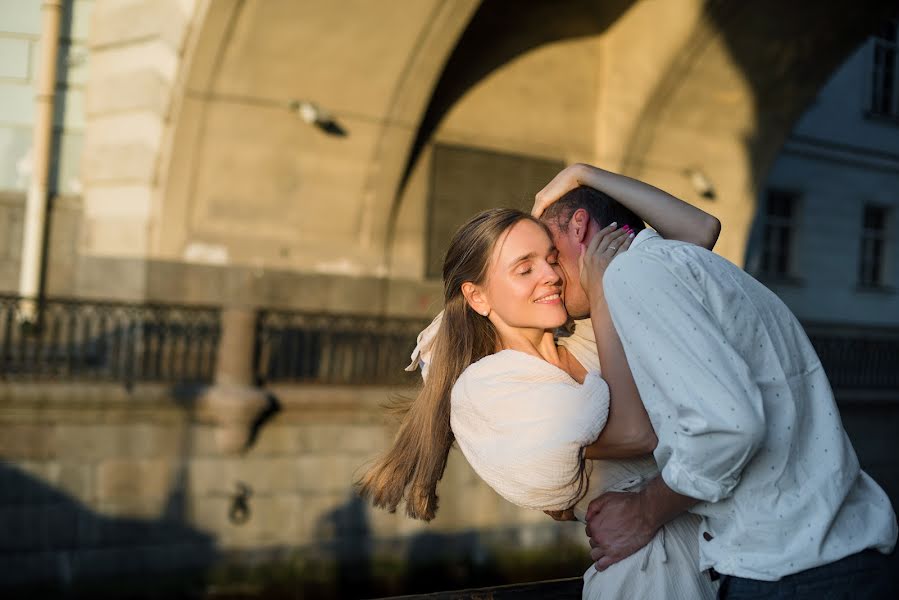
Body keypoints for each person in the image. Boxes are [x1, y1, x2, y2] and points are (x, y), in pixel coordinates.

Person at [532, 162, 899, 599]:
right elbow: (703, 228)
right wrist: (582, 174)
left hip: (789, 570)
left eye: (550, 255)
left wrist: (644, 511)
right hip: (840, 554)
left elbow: (728, 427)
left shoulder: (635, 274)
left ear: (579, 227)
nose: (548, 275)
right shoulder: (684, 262)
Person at [358, 177, 722, 598]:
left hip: (715, 557)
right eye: (524, 268)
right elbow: (639, 434)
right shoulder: (491, 387)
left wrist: (584, 175)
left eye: (552, 258)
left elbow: (698, 235)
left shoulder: (588, 339)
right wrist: (603, 296)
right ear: (477, 298)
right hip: (647, 578)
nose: (550, 275)